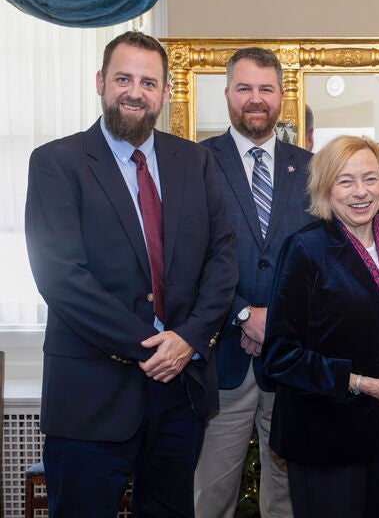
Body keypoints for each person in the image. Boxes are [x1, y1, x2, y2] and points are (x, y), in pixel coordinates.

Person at [24, 31, 238, 517]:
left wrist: (188, 339)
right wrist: (153, 346)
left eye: (148, 81)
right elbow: (60, 277)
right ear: (101, 82)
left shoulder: (195, 161)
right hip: (91, 396)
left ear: (165, 92)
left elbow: (223, 258)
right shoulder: (57, 163)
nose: (135, 91)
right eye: (123, 78)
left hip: (181, 392)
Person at [261, 135, 379, 518]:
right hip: (322, 433)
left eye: (370, 179)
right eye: (345, 180)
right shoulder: (305, 248)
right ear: (326, 188)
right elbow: (279, 356)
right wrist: (362, 384)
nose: (360, 192)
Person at [194, 47, 314, 518]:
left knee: (286, 496)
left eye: (266, 88)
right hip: (220, 356)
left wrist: (278, 322)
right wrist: (244, 313)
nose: (255, 99)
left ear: (282, 96)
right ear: (227, 94)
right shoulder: (195, 163)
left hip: (289, 361)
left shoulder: (311, 168)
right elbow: (191, 262)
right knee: (210, 496)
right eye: (244, 88)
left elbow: (321, 264)